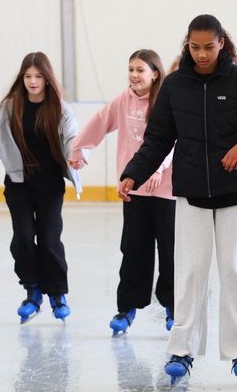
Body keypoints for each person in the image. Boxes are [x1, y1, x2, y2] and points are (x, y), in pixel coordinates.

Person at [118, 14, 237, 385]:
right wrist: (133, 173)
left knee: (236, 270)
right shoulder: (175, 86)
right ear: (187, 46)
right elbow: (158, 138)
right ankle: (182, 348)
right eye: (195, 47)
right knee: (189, 273)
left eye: (209, 46)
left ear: (222, 43)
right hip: (191, 193)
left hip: (235, 192)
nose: (202, 54)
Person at [0, 52, 81, 324]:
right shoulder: (8, 109)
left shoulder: (60, 110)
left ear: (47, 79)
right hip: (18, 185)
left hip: (49, 185)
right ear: (21, 78)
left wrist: (77, 156)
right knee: (22, 238)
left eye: (38, 76)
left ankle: (57, 294)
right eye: (28, 76)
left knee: (49, 239)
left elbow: (73, 140)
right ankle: (32, 291)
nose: (33, 82)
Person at [68, 49, 176, 336]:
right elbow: (98, 123)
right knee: (134, 250)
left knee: (170, 252)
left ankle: (173, 307)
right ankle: (126, 308)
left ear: (155, 73)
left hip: (165, 190)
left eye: (140, 70)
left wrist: (157, 169)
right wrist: (79, 150)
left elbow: (172, 139)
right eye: (131, 69)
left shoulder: (166, 101)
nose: (134, 75)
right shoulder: (122, 101)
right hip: (134, 189)